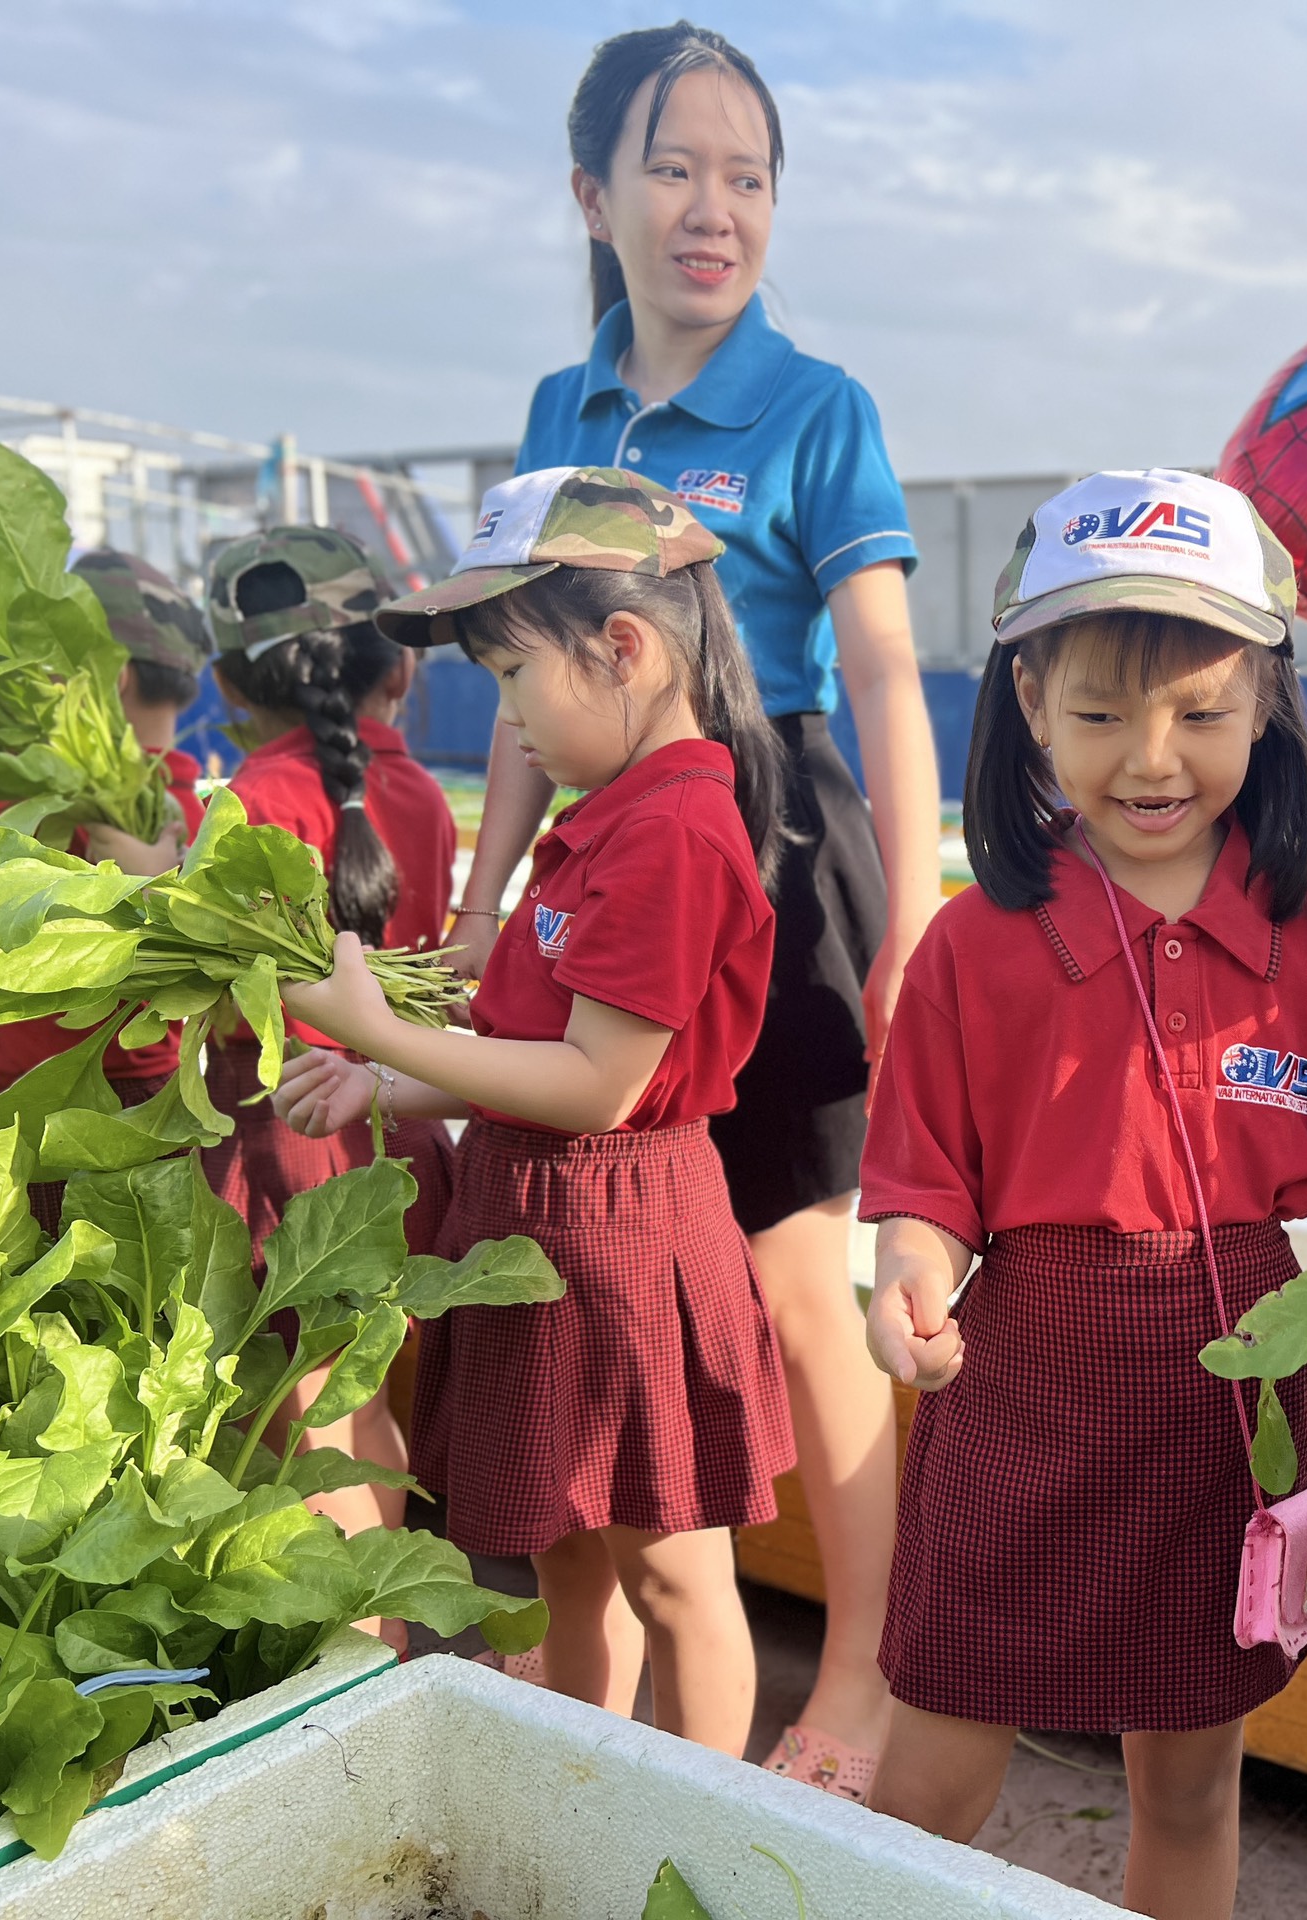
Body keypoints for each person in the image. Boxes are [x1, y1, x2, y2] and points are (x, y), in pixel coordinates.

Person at [448, 20, 941, 1795]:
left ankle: (864, 1676)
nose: (712, 209)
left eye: (748, 176)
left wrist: (911, 921)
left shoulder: (819, 406)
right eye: (674, 168)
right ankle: (610, 1613)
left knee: (798, 1279)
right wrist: (480, 901)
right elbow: (524, 689)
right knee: (620, 1238)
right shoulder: (560, 409)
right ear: (594, 195)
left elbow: (882, 673)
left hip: (779, 840)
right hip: (607, 848)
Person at [860, 471, 1307, 1920]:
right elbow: (925, 1190)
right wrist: (908, 1280)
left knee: (1189, 1785)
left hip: (1232, 1409)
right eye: (1102, 713)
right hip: (1018, 1391)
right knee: (928, 1780)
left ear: (1266, 703)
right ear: (1030, 701)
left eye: (1201, 713)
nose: (1152, 759)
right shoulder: (972, 945)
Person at [271, 466, 797, 1757]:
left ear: (623, 648)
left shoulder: (675, 831)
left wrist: (381, 1032)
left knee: (673, 1576)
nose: (506, 719)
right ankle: (581, 1790)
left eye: (514, 678)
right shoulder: (605, 819)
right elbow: (525, 1057)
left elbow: (595, 1085)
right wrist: (386, 1083)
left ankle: (702, 1824)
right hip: (544, 1227)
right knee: (564, 1554)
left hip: (627, 1240)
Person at [200, 527, 459, 1558]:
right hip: (402, 1128)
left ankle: (359, 1642)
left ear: (229, 684)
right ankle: (384, 1632)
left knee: (309, 1422)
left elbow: (225, 1010)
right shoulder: (421, 794)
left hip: (288, 1136)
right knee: (362, 1405)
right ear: (394, 669)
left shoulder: (247, 803)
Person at [0, 551, 210, 1221]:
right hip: (143, 1098)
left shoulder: (55, 817)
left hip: (82, 1108)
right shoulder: (200, 814)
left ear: (103, 677)